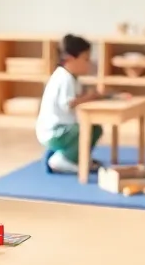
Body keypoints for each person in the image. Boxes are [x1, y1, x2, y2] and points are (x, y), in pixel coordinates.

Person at [36, 34, 105, 173]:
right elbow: (68, 103)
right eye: (85, 59)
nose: (89, 63)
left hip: (61, 130)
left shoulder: (70, 77)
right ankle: (62, 160)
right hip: (55, 131)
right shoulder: (64, 78)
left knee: (95, 128)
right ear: (70, 59)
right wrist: (90, 97)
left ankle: (77, 158)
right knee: (85, 127)